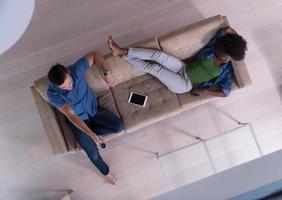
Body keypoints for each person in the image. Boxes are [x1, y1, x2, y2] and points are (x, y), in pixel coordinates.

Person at [47, 50, 123, 185]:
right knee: (92, 153)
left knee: (118, 127)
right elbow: (71, 115)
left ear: (69, 73)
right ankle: (105, 172)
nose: (68, 89)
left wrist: (107, 74)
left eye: (69, 84)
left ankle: (84, 138)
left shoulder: (76, 69)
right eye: (63, 88)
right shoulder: (52, 93)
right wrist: (90, 134)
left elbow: (95, 54)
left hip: (94, 109)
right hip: (77, 120)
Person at [107, 26, 247, 97]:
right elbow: (227, 30)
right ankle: (121, 51)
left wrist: (204, 91)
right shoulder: (213, 48)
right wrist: (236, 43)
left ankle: (122, 55)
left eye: (228, 58)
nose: (225, 59)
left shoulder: (226, 70)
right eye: (224, 54)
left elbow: (225, 93)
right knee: (159, 55)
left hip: (185, 85)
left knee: (156, 69)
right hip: (183, 68)